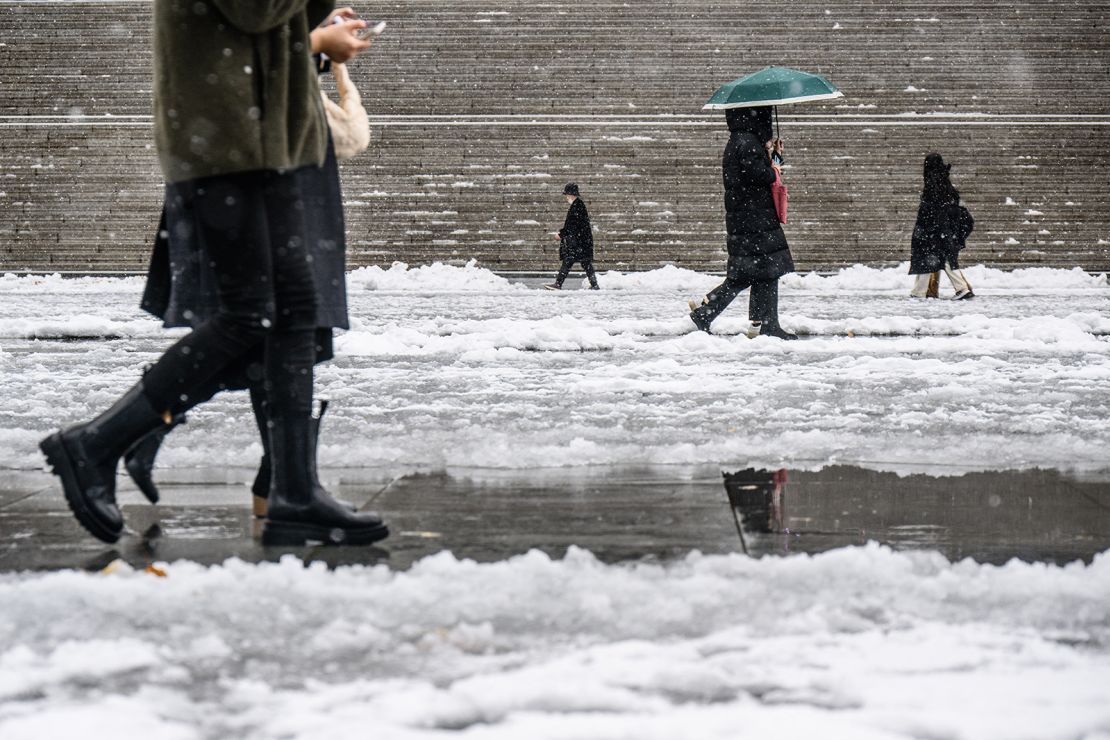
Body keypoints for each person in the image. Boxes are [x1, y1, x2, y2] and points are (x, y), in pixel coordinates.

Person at [39, 0, 387, 547]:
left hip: (262, 139)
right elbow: (255, 12)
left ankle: (294, 493)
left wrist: (317, 26)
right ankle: (97, 443)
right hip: (229, 141)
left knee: (293, 314)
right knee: (251, 316)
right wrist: (317, 43)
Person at [126, 10, 372, 519]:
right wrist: (316, 37)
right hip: (251, 147)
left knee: (289, 326)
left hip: (278, 139)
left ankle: (284, 484)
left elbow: (262, 31)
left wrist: (318, 36)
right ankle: (133, 432)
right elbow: (250, 24)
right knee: (272, 321)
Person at [689, 107, 797, 339]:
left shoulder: (740, 140)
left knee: (756, 272)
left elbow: (757, 171)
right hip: (754, 217)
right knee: (759, 271)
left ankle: (756, 323)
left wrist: (772, 155)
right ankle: (764, 325)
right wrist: (774, 166)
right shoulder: (747, 142)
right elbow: (760, 175)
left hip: (749, 216)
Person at [909, 153, 975, 300]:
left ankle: (960, 289)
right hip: (941, 227)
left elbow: (932, 208)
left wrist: (928, 226)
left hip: (934, 228)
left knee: (935, 258)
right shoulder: (943, 180)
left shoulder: (933, 181)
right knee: (934, 258)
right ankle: (919, 291)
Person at [546, 183, 599, 290]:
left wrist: (561, 235)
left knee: (569, 262)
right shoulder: (578, 205)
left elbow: (571, 225)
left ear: (570, 194)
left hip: (578, 242)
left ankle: (558, 284)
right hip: (582, 241)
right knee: (585, 263)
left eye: (567, 195)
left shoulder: (576, 206)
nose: (566, 197)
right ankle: (594, 285)